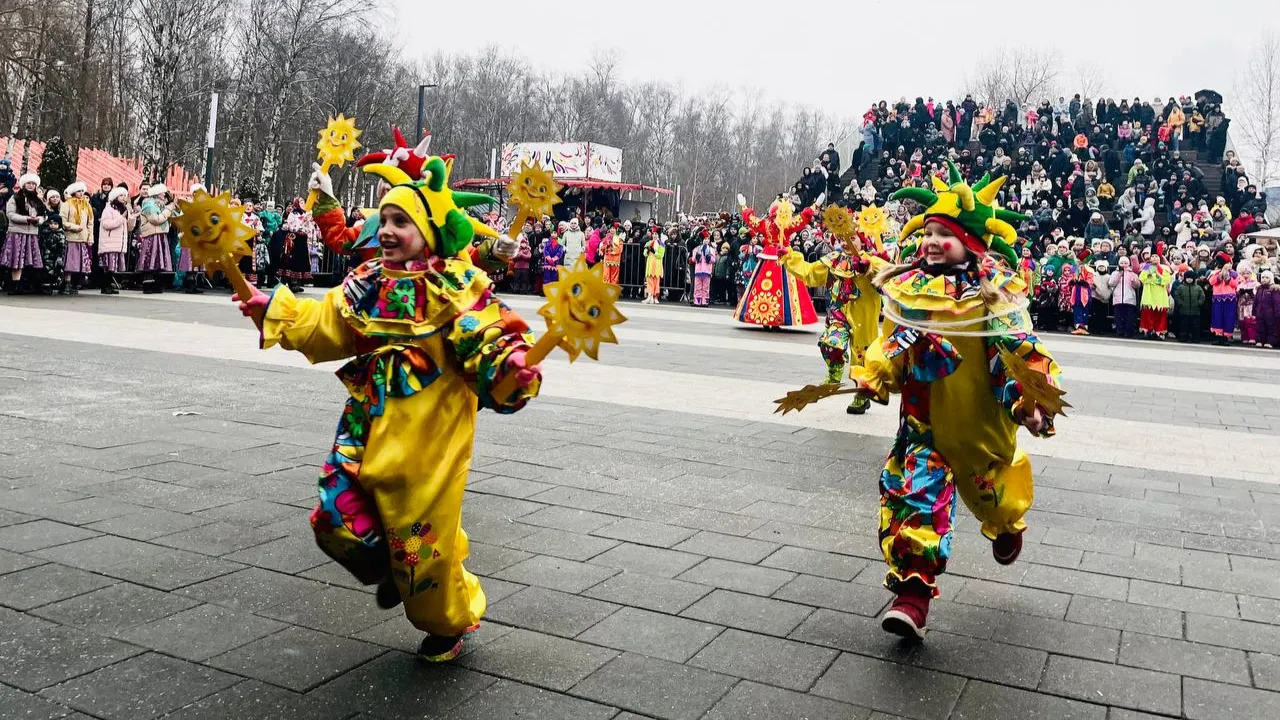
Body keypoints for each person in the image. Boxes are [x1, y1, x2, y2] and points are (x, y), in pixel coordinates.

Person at [235, 157, 542, 662]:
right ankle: (390, 566)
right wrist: (272, 309)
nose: (389, 230)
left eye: (402, 222)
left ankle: (449, 622)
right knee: (335, 519)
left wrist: (512, 364)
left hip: (429, 445)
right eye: (387, 219)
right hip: (368, 425)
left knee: (424, 552)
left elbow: (491, 337)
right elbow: (328, 320)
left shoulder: (459, 286)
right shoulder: (369, 281)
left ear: (429, 231)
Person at [857, 166, 1062, 639]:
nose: (930, 241)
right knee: (916, 496)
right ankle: (913, 595)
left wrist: (1032, 401)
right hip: (922, 421)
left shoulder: (992, 298)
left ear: (969, 242)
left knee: (993, 496)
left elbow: (1016, 352)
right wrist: (875, 376)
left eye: (942, 234)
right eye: (926, 231)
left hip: (975, 421)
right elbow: (891, 343)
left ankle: (1007, 524)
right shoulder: (911, 292)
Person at [782, 230, 886, 414]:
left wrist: (869, 268)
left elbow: (886, 273)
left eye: (851, 238)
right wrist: (789, 257)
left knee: (862, 355)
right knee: (830, 343)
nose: (846, 243)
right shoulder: (834, 260)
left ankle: (862, 395)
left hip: (864, 315)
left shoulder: (871, 260)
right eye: (842, 239)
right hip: (838, 314)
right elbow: (810, 273)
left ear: (862, 241)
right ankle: (834, 374)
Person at [733, 195, 819, 328]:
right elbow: (802, 219)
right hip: (784, 255)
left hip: (768, 257)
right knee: (786, 287)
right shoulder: (787, 224)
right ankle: (781, 315)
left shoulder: (765, 224)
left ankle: (764, 315)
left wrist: (744, 207)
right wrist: (814, 207)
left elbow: (751, 221)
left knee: (763, 286)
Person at [2, 173, 46, 293]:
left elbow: (43, 215)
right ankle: (15, 285)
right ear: (24, 185)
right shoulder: (15, 198)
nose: (31, 186)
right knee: (16, 260)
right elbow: (10, 214)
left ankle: (27, 284)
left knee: (30, 260)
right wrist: (27, 219)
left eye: (33, 184)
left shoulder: (37, 200)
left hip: (32, 233)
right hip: (17, 232)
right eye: (29, 183)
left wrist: (39, 220)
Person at [136, 184, 173, 293]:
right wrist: (168, 210)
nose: (164, 195)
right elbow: (156, 219)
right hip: (152, 235)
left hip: (160, 234)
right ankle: (148, 285)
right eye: (163, 193)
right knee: (150, 259)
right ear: (157, 194)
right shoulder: (149, 205)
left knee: (158, 260)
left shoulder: (159, 204)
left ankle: (156, 284)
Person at [96, 186, 131, 294]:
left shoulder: (123, 209)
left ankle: (109, 285)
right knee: (108, 265)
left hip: (118, 243)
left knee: (113, 266)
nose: (123, 198)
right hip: (110, 242)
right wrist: (122, 217)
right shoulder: (108, 209)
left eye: (124, 196)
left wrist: (131, 216)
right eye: (121, 195)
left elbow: (129, 227)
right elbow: (106, 224)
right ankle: (105, 286)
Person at [1139, 255, 1173, 339]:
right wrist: (1150, 276)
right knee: (1148, 314)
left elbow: (1166, 280)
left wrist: (1157, 276)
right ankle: (1148, 331)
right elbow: (1142, 278)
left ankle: (1158, 332)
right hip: (1149, 294)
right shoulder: (1147, 267)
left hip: (1160, 295)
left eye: (1156, 256)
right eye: (1152, 256)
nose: (1154, 258)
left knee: (1160, 314)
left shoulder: (1164, 268)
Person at [1208, 264, 1239, 345]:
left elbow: (1235, 284)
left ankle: (1226, 338)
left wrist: (1228, 279)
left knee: (1228, 317)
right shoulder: (1216, 273)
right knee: (1217, 317)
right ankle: (1218, 337)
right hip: (1217, 298)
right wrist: (1220, 276)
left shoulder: (1234, 274)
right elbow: (1211, 282)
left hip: (1229, 299)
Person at [1110, 256, 1140, 337]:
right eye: (1122, 263)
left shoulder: (1132, 273)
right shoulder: (1115, 273)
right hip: (1118, 298)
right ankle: (1120, 331)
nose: (1124, 265)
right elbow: (1111, 283)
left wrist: (1134, 281)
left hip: (1129, 298)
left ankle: (1128, 331)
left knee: (1129, 317)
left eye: (1126, 263)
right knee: (1118, 317)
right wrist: (1119, 275)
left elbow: (1137, 286)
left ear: (1129, 264)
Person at [1172, 269, 1206, 343]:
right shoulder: (1181, 287)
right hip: (1184, 310)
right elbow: (1176, 295)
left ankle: (1195, 338)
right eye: (1187, 278)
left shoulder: (1198, 288)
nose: (1189, 280)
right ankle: (1183, 337)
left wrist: (1199, 303)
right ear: (1185, 278)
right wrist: (1180, 303)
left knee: (1195, 325)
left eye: (1191, 278)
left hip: (1195, 311)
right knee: (1184, 325)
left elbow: (1202, 296)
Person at [690, 233, 716, 307]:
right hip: (698, 270)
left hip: (707, 271)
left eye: (708, 239)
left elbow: (713, 260)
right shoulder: (697, 249)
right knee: (698, 287)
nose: (706, 240)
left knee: (705, 287)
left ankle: (705, 301)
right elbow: (693, 259)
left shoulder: (711, 249)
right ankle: (697, 301)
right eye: (705, 239)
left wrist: (708, 256)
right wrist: (698, 256)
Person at [1256, 270, 1279, 348]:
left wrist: (1277, 313)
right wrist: (1254, 311)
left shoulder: (1273, 289)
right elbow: (1256, 301)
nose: (1264, 279)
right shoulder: (1259, 289)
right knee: (1260, 327)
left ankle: (1270, 341)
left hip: (1270, 313)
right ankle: (1260, 341)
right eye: (1262, 277)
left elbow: (1276, 303)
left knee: (1271, 328)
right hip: (1260, 312)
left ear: (1271, 279)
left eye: (1266, 277)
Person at [642, 225, 665, 304]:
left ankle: (655, 296)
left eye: (656, 234)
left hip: (657, 264)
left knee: (656, 280)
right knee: (649, 279)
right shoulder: (648, 243)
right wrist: (647, 251)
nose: (654, 235)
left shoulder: (661, 244)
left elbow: (661, 255)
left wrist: (655, 252)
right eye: (653, 234)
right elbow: (644, 253)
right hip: (650, 263)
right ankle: (649, 295)